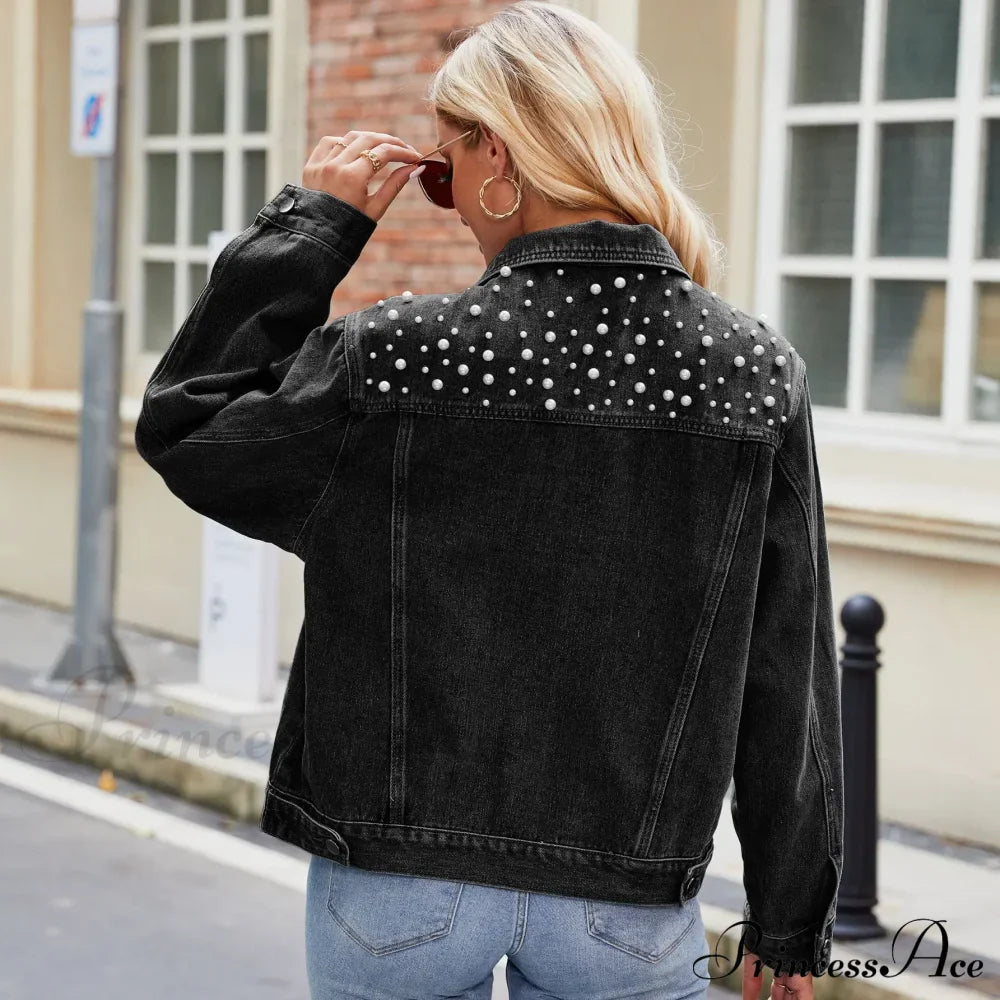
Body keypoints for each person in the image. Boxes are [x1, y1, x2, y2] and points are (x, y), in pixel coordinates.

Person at [134, 3, 844, 999]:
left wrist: (314, 226)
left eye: (445, 167)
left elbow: (190, 424)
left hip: (397, 889)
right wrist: (790, 915)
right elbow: (789, 667)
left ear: (497, 156)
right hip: (624, 903)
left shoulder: (392, 359)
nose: (455, 202)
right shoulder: (752, 373)